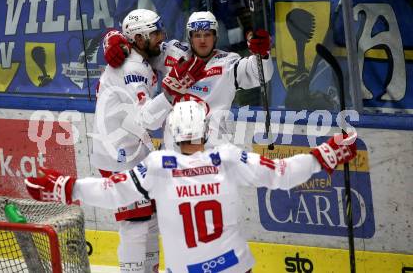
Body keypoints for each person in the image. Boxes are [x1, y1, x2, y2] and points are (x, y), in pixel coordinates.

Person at [25, 101, 357, 273]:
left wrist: (69, 187)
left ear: (172, 131)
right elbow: (283, 173)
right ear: (205, 130)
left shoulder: (158, 167)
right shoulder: (227, 159)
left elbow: (113, 191)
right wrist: (325, 154)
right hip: (235, 264)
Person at [91, 9, 204, 273]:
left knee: (151, 218)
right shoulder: (132, 69)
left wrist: (113, 35)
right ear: (139, 39)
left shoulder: (141, 55)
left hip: (132, 150)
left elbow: (178, 51)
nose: (161, 37)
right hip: (117, 155)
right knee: (135, 222)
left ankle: (150, 268)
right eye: (154, 33)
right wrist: (170, 93)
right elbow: (147, 120)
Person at [105, 10, 274, 145]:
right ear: (189, 37)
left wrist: (263, 54)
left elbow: (261, 74)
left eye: (207, 34)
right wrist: (115, 41)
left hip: (213, 149)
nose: (202, 41)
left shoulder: (229, 64)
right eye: (197, 35)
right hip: (175, 149)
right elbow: (141, 42)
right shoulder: (173, 53)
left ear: (215, 37)